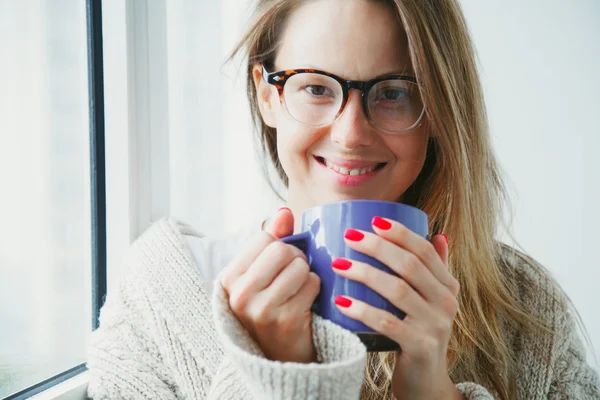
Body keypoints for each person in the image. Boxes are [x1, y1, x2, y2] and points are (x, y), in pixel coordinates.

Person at [86, 0, 600, 399]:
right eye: (315, 89)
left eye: (394, 92)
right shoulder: (165, 292)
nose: (351, 133)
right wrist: (281, 379)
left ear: (441, 109)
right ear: (267, 95)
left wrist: (433, 393)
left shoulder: (529, 310)